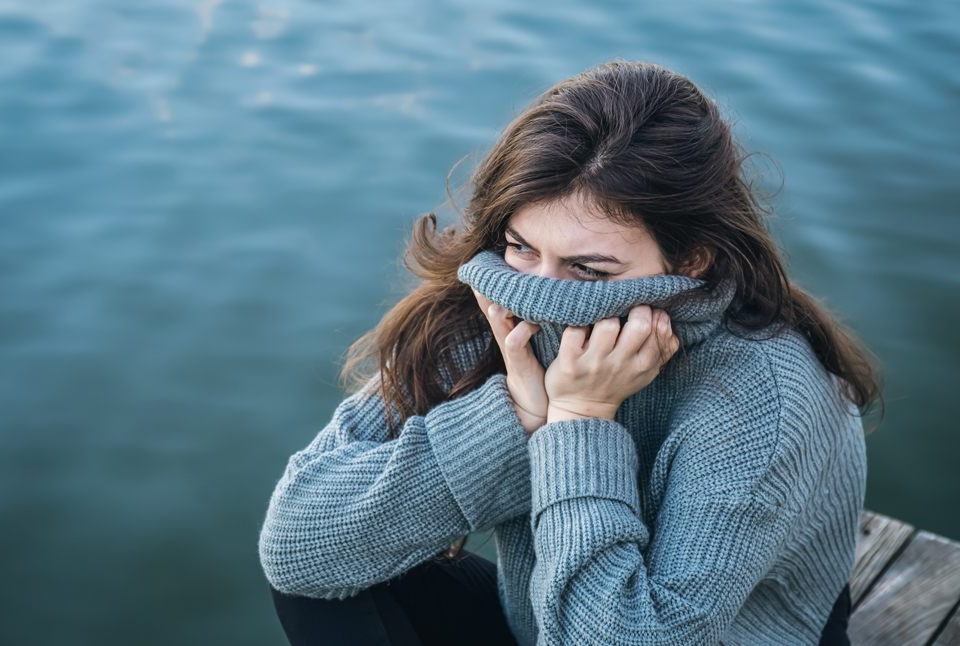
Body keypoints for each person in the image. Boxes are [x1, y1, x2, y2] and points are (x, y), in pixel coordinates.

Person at [258, 59, 881, 645]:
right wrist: (515, 419)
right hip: (538, 619)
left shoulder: (763, 396)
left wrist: (580, 422)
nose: (541, 296)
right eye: (521, 247)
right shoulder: (497, 307)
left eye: (589, 269)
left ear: (691, 259)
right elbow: (295, 546)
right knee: (325, 580)